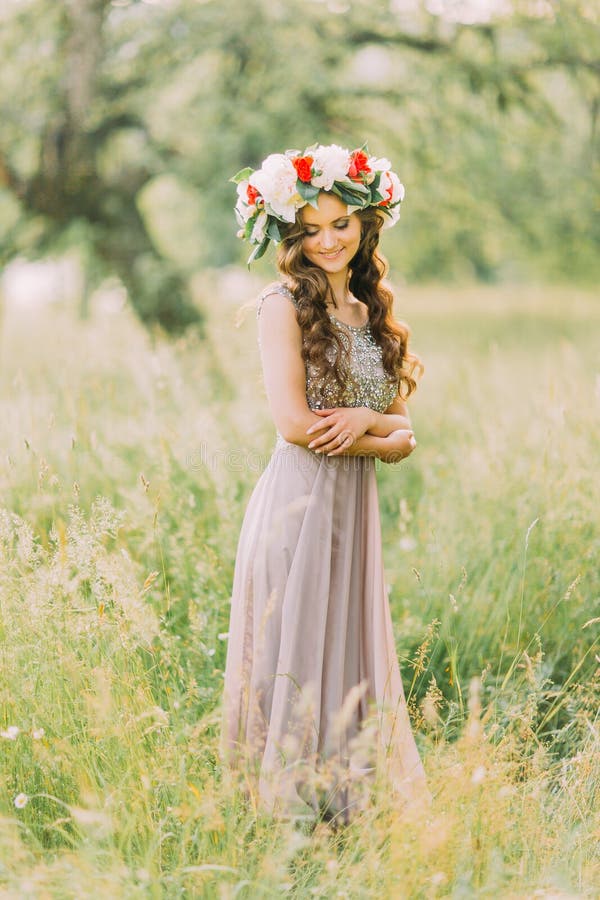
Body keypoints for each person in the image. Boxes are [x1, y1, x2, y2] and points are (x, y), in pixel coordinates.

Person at [221, 144, 430, 823]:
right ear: (290, 235)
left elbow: (404, 432)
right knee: (295, 661)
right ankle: (284, 822)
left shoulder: (374, 310)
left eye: (340, 223)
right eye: (310, 229)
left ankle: (347, 816)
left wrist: (371, 418)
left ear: (368, 222)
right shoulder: (280, 304)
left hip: (353, 513)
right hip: (298, 506)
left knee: (347, 655)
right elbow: (293, 424)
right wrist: (383, 436)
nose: (327, 239)